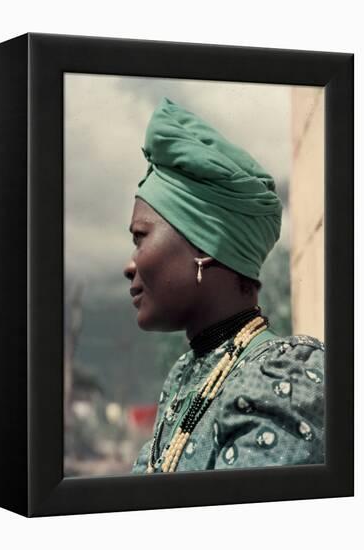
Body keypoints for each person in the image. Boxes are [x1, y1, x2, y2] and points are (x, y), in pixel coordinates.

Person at [123, 97, 324, 474]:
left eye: (140, 237)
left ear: (205, 246)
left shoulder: (282, 382)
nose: (129, 264)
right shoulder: (189, 375)